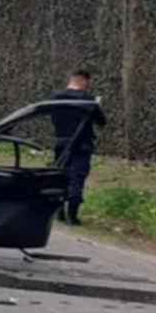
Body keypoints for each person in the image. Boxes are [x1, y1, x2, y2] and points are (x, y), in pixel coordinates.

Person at [49, 69, 108, 225]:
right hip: (82, 143)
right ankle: (72, 215)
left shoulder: (56, 97)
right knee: (77, 177)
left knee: (60, 175)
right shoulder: (88, 100)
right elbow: (101, 121)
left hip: (61, 142)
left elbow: (53, 119)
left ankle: (59, 212)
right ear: (84, 81)